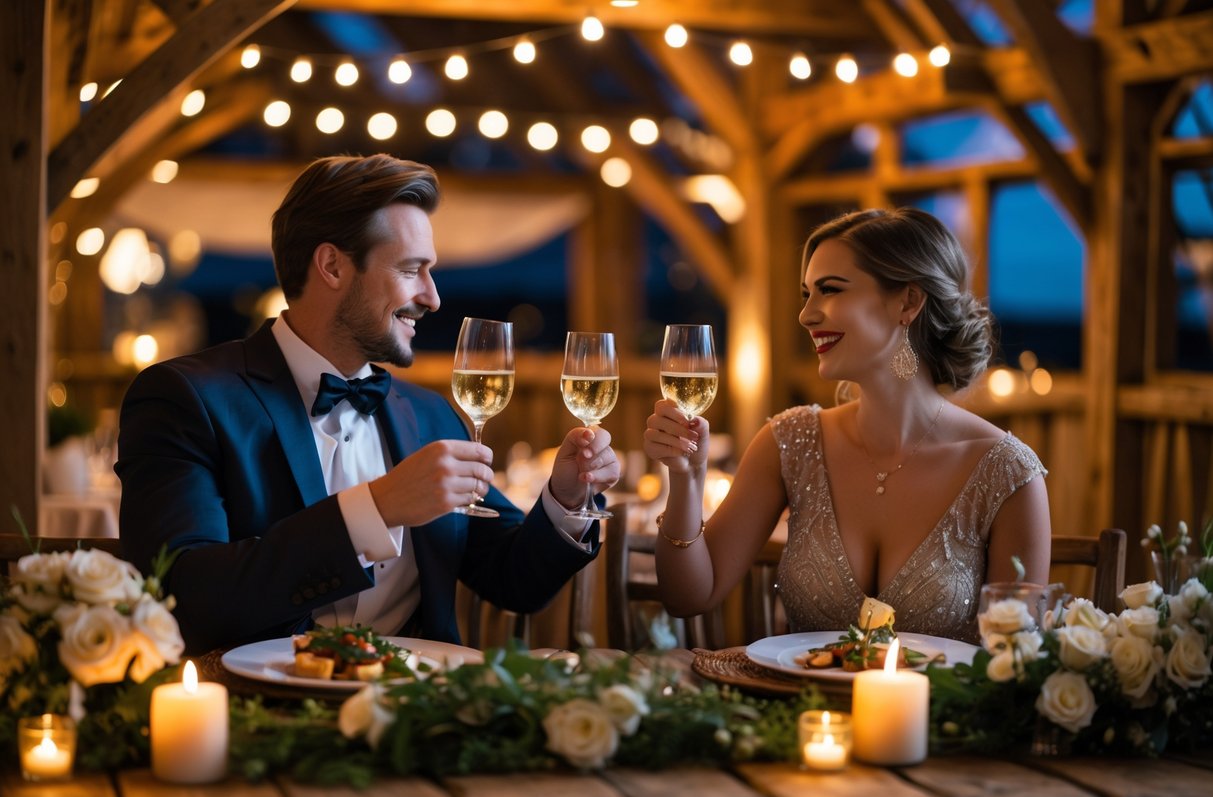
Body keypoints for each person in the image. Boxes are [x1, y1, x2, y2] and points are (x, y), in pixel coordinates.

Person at [117, 154, 620, 654]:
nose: (433, 297)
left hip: (420, 711)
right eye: (411, 270)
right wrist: (376, 508)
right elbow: (182, 594)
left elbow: (515, 580)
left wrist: (567, 497)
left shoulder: (430, 416)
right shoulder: (185, 399)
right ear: (333, 265)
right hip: (262, 711)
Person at [643, 207, 1049, 643]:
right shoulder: (789, 443)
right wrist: (685, 479)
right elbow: (689, 598)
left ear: (908, 302)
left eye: (830, 291)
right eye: (806, 294)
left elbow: (1016, 663)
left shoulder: (1006, 473)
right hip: (795, 710)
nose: (806, 315)